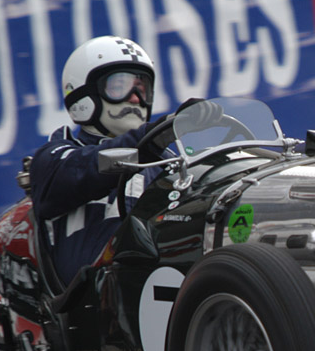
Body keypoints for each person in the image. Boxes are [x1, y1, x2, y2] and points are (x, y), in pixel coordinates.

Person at [30, 35, 219, 285]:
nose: (134, 99)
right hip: (92, 295)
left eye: (142, 89)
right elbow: (86, 168)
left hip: (166, 283)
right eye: (120, 86)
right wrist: (154, 136)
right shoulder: (57, 158)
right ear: (84, 94)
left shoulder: (170, 164)